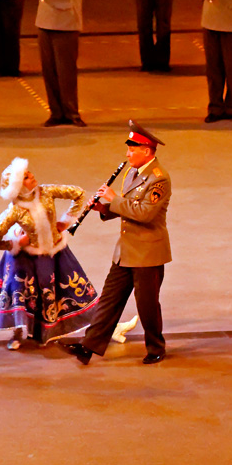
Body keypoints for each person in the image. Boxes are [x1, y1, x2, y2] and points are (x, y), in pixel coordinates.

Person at [64, 121, 172, 365]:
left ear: (146, 150)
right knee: (110, 300)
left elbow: (145, 213)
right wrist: (104, 207)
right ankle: (89, 346)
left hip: (147, 252)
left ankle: (156, 347)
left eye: (132, 148)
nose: (127, 153)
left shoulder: (159, 179)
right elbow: (127, 206)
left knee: (147, 306)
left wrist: (113, 199)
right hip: (126, 250)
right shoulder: (132, 172)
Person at [0, 158, 98, 350]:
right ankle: (18, 331)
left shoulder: (47, 191)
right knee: (22, 293)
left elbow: (79, 193)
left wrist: (66, 221)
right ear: (18, 186)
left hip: (52, 252)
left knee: (49, 290)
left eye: (29, 172)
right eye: (25, 177)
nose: (32, 176)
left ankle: (46, 332)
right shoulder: (15, 211)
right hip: (24, 260)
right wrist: (15, 242)